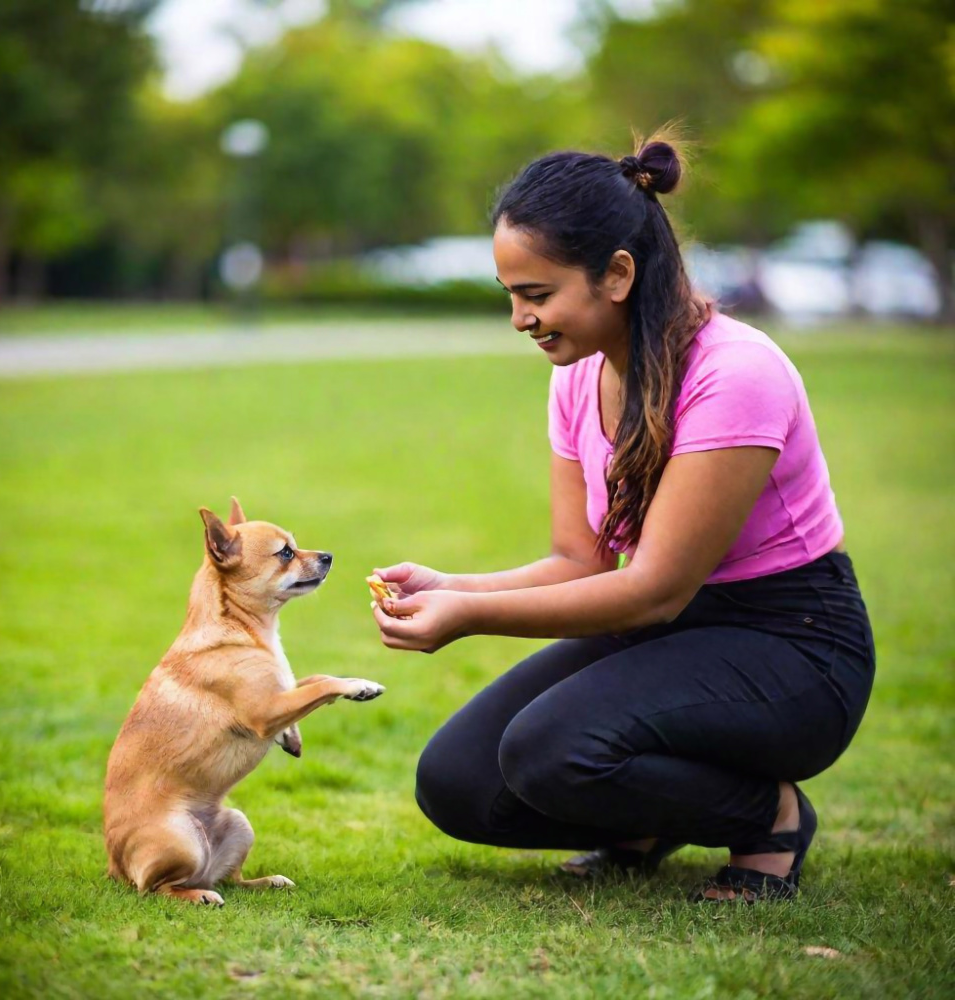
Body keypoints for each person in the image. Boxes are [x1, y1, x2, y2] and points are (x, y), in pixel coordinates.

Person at [370, 137, 875, 902]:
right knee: (457, 783)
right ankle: (645, 814)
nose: (518, 318)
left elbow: (655, 590)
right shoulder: (579, 378)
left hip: (793, 648)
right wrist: (452, 582)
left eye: (536, 293)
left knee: (549, 752)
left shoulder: (736, 373)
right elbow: (580, 561)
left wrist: (469, 615)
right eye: (510, 294)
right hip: (665, 633)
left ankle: (767, 817)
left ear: (616, 274)